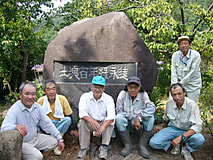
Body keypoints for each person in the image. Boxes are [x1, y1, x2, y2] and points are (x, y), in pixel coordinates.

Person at [1, 82, 65, 160]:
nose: (30, 97)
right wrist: (16, 126)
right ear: (20, 95)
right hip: (22, 143)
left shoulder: (37, 107)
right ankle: (30, 153)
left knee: (54, 142)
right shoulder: (15, 109)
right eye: (27, 94)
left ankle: (31, 152)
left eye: (33, 94)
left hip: (35, 138)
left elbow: (47, 124)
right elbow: (3, 129)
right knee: (38, 156)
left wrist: (60, 138)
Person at [149, 83, 205, 160]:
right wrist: (163, 128)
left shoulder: (192, 105)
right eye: (174, 95)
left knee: (199, 139)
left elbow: (197, 126)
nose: (177, 97)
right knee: (154, 143)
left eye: (179, 94)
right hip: (173, 129)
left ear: (184, 92)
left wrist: (181, 137)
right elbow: (166, 118)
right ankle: (174, 145)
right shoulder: (169, 103)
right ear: (171, 95)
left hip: (187, 131)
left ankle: (186, 148)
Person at [115, 76, 155, 159]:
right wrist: (133, 118)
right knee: (119, 118)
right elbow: (119, 110)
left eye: (135, 87)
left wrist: (139, 118)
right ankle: (127, 145)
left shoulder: (143, 95)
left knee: (151, 119)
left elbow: (151, 107)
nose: (133, 90)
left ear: (139, 88)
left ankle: (142, 145)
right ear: (127, 87)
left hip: (140, 123)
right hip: (128, 123)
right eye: (130, 87)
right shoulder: (122, 94)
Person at [77, 76, 115, 160]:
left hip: (102, 123)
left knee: (110, 123)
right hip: (90, 123)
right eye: (95, 87)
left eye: (100, 87)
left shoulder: (109, 99)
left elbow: (111, 116)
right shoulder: (85, 97)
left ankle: (104, 146)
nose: (97, 90)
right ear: (91, 86)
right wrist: (91, 121)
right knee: (82, 122)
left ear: (104, 88)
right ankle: (84, 148)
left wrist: (102, 127)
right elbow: (82, 113)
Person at [37, 80, 78, 155]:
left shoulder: (62, 99)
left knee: (67, 120)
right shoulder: (41, 101)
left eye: (53, 89)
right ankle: (57, 141)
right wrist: (38, 130)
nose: (51, 92)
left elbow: (69, 114)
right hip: (47, 125)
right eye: (48, 90)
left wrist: (72, 129)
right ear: (44, 91)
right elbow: (36, 117)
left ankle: (56, 139)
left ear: (56, 90)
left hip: (59, 124)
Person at [171, 36, 202, 102]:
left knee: (192, 106)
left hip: (193, 86)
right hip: (178, 86)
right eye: (181, 44)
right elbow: (173, 71)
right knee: (174, 105)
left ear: (189, 45)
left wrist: (180, 85)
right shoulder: (175, 55)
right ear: (179, 46)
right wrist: (174, 86)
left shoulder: (196, 55)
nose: (183, 46)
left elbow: (193, 71)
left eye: (185, 43)